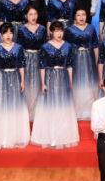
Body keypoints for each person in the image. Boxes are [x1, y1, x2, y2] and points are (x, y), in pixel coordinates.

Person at [30, 22, 80, 150]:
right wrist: (43, 83)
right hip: (50, 77)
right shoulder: (45, 47)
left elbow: (70, 65)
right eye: (56, 31)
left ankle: (62, 137)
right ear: (51, 32)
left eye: (61, 31)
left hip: (63, 76)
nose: (59, 33)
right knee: (50, 106)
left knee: (63, 106)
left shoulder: (68, 46)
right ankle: (50, 137)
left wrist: (70, 82)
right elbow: (42, 66)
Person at [0, 23, 30, 150]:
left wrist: (22, 81)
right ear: (1, 35)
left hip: (15, 77)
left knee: (14, 105)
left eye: (10, 32)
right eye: (5, 33)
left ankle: (14, 137)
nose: (8, 35)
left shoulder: (18, 47)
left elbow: (22, 65)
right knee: (1, 105)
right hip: (1, 78)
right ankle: (1, 137)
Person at [65, 8, 101, 120]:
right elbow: (66, 46)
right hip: (75, 57)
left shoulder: (91, 28)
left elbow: (95, 45)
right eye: (78, 15)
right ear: (74, 17)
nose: (81, 17)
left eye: (83, 14)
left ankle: (90, 110)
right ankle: (77, 110)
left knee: (89, 80)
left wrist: (97, 60)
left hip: (88, 56)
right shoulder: (69, 29)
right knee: (77, 82)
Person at [16, 6, 48, 121]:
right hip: (26, 59)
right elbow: (19, 47)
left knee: (39, 83)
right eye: (30, 14)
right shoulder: (21, 29)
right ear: (25, 16)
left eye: (35, 14)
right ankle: (26, 112)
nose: (33, 17)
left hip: (39, 58)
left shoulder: (42, 29)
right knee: (27, 83)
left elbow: (45, 46)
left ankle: (37, 113)